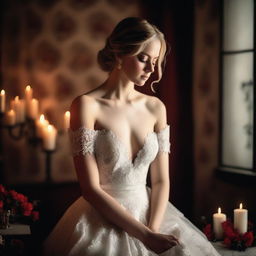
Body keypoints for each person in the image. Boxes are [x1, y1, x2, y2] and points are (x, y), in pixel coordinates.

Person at [43, 17, 220, 256]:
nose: (151, 70)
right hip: (101, 218)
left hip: (152, 215)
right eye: (143, 59)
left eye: (155, 61)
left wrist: (153, 232)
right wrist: (143, 235)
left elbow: (160, 181)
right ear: (118, 55)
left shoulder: (155, 107)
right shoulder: (86, 105)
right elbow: (90, 188)